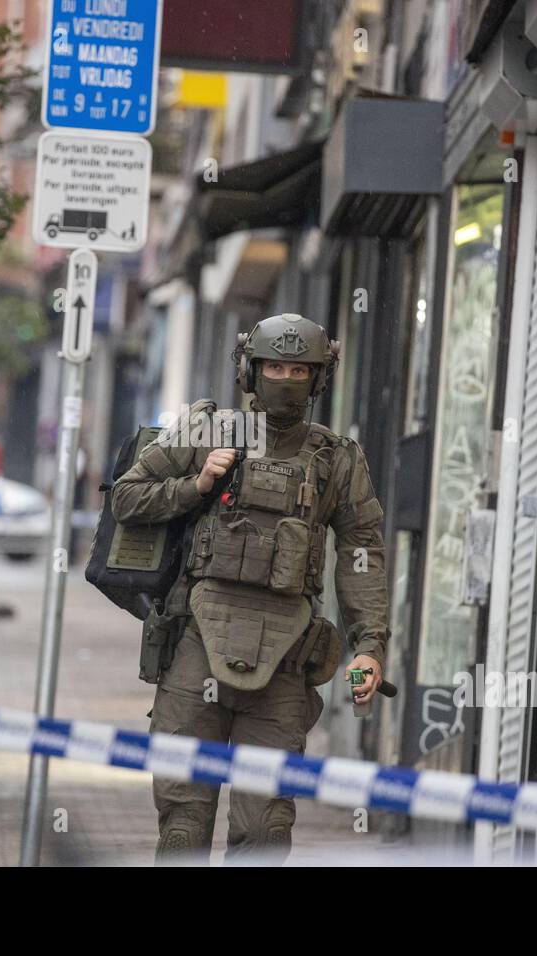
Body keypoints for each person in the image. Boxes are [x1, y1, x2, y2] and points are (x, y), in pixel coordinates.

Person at [110, 313, 390, 863]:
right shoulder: (207, 430)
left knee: (264, 830)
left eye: (299, 370)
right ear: (251, 370)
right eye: (275, 366)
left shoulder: (338, 458)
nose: (286, 379)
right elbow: (125, 498)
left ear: (319, 379)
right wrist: (196, 485)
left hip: (286, 661)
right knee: (183, 826)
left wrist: (370, 646)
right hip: (195, 647)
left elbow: (363, 554)